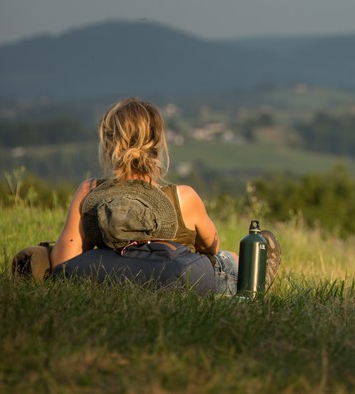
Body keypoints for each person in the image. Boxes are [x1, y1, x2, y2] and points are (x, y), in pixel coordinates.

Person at [49, 97, 240, 295]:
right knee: (231, 259)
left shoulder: (89, 192)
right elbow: (211, 247)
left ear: (109, 144)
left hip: (113, 275)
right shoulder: (184, 198)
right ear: (157, 143)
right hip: (174, 280)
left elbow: (63, 262)